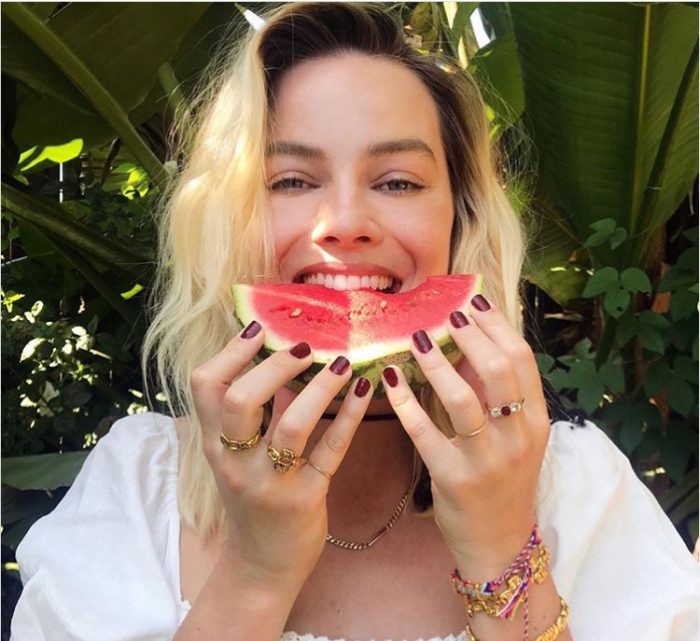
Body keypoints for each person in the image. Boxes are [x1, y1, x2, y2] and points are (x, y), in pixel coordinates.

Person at [10, 4, 699, 641]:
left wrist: (502, 549)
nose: (343, 223)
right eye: (290, 181)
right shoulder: (140, 487)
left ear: (459, 222)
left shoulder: (569, 484)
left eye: (398, 182)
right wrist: (255, 573)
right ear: (226, 225)